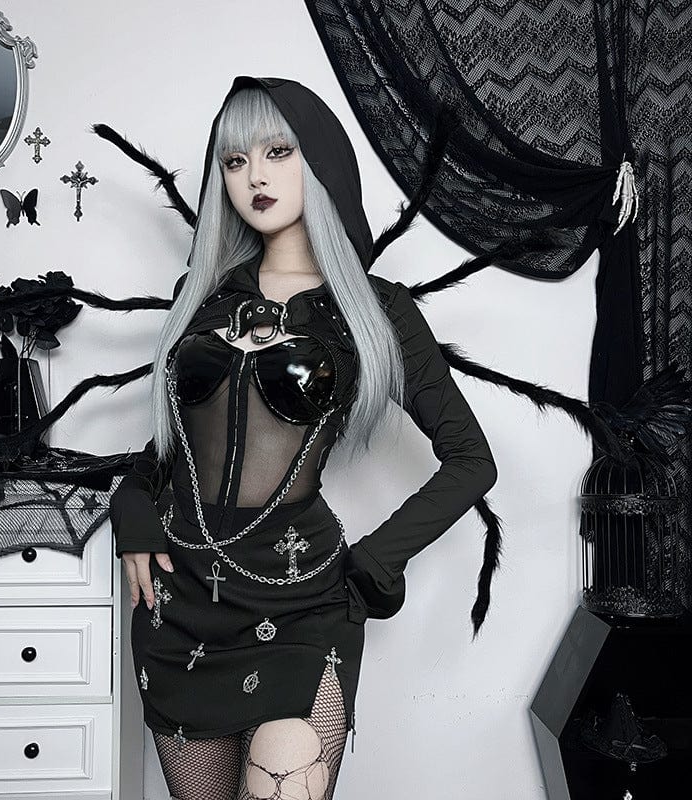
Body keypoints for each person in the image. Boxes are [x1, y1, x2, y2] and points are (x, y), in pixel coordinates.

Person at [109, 75, 497, 800]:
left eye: (277, 152)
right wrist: (131, 509)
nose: (254, 176)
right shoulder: (204, 297)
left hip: (301, 609)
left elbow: (472, 461)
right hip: (182, 610)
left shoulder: (375, 311)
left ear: (318, 160)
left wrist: (374, 561)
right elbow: (172, 448)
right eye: (234, 161)